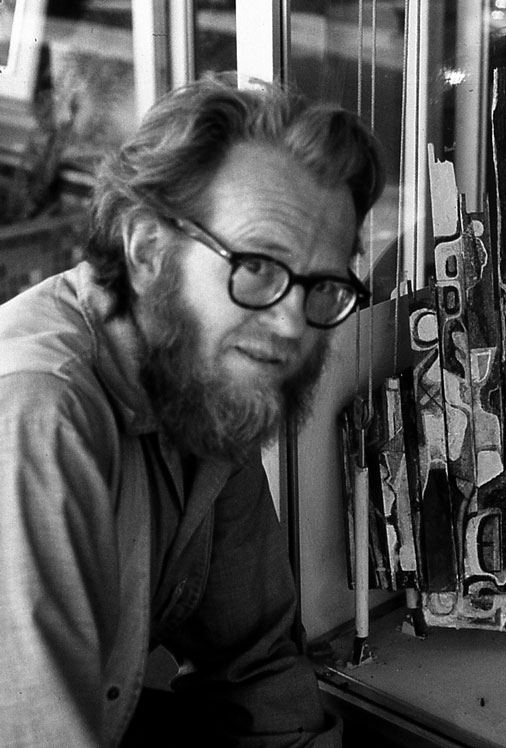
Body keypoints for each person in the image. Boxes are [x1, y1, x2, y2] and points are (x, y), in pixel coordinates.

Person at [0, 72, 384, 747]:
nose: (294, 325)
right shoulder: (41, 414)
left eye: (323, 285)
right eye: (259, 266)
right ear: (149, 251)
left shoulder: (204, 383)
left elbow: (256, 663)